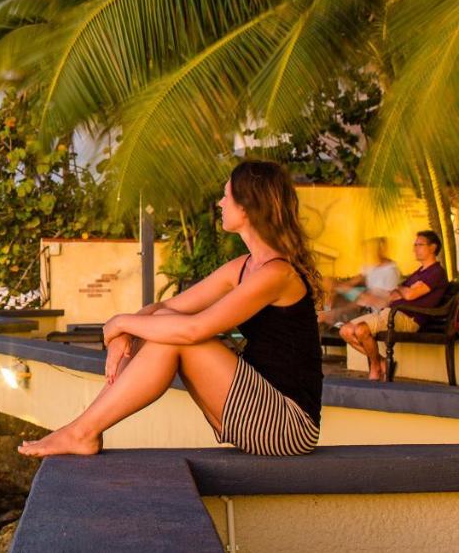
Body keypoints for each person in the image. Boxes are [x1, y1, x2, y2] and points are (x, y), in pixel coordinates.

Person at [17, 160, 323, 458]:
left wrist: (121, 323)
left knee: (172, 332)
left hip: (289, 424)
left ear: (246, 206)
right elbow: (164, 305)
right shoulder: (244, 267)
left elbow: (194, 330)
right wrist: (121, 331)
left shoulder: (276, 274)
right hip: (255, 411)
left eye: (226, 195)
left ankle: (82, 431)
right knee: (160, 321)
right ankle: (83, 430)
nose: (220, 203)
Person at [338, 230, 449, 381]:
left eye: (419, 245)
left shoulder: (436, 272)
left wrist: (403, 290)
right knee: (345, 331)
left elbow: (410, 295)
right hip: (390, 313)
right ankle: (381, 363)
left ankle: (376, 367)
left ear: (433, 247)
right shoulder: (418, 273)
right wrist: (404, 289)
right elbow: (394, 295)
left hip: (408, 318)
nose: (414, 248)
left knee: (361, 330)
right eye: (414, 245)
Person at [318, 238, 400, 329]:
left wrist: (347, 289)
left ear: (382, 249)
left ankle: (330, 317)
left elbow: (384, 302)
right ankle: (329, 315)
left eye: (372, 249)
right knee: (329, 286)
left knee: (324, 316)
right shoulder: (371, 269)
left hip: (372, 310)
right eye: (369, 250)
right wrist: (336, 286)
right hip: (361, 305)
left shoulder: (391, 271)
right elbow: (353, 282)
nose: (369, 253)